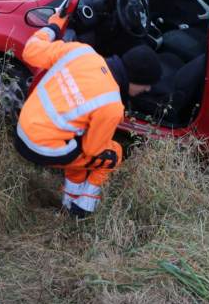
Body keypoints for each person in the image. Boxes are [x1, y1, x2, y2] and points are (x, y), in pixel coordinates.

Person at [14, 12, 163, 218]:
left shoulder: (81, 51)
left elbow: (30, 51)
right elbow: (94, 149)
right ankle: (84, 209)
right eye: (146, 84)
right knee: (112, 153)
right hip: (42, 149)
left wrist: (53, 27)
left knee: (77, 149)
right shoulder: (111, 104)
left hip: (22, 130)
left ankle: (69, 202)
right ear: (135, 79)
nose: (146, 89)